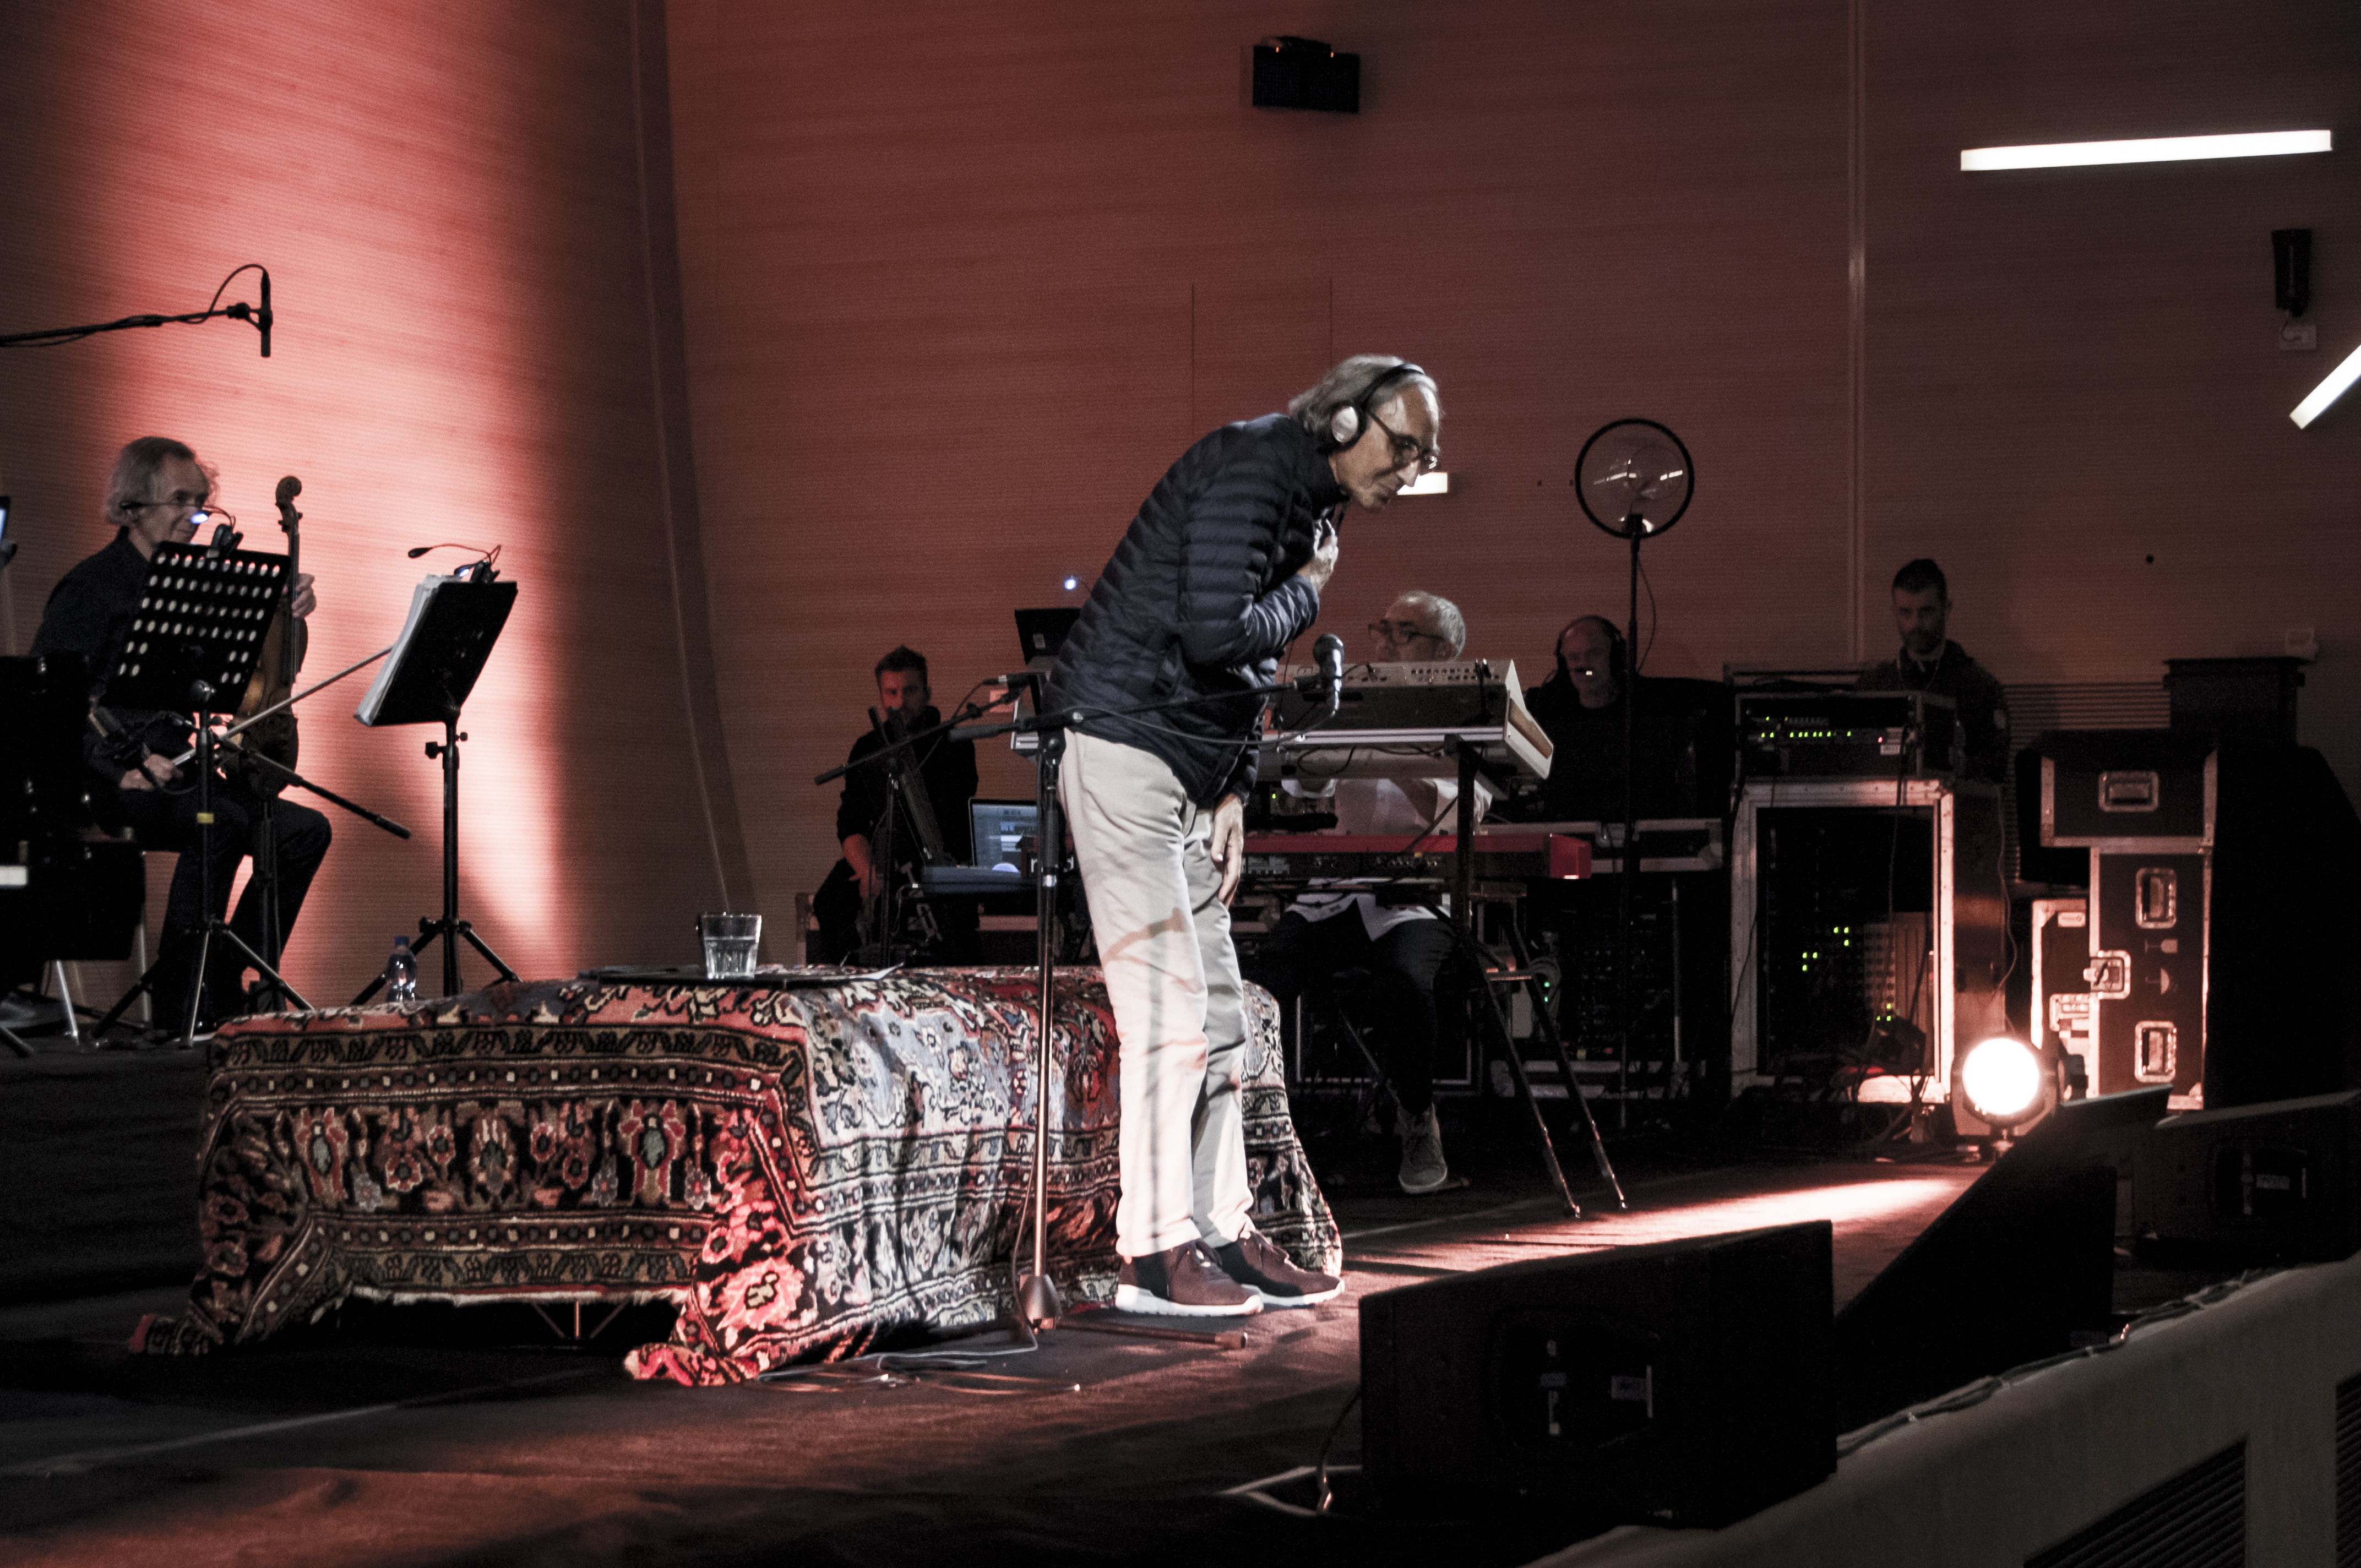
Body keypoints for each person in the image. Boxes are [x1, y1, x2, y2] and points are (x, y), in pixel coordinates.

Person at [1046, 353, 1440, 1315]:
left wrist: (1230, 791)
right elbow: (1217, 636)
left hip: (1186, 771)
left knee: (1223, 1021)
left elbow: (1240, 666)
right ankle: (1151, 1251)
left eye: (1422, 455)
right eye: (1402, 445)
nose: (1410, 468)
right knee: (1170, 1018)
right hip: (1124, 750)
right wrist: (1310, 588)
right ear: (1343, 424)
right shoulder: (1255, 469)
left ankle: (1219, 1227)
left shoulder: (1309, 499)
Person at [31, 435, 331, 1030]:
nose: (195, 517)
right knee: (217, 821)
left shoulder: (198, 583)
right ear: (131, 507)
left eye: (201, 502)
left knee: (302, 830)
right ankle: (179, 1005)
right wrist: (123, 764)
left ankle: (223, 973)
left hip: (183, 767)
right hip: (103, 774)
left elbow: (265, 674)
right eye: (179, 501)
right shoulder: (92, 586)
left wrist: (285, 617)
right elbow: (53, 698)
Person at [1250, 590, 1481, 1195]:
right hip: (1340, 891)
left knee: (1403, 984)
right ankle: (1255, 1129)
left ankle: (1417, 1116)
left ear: (1444, 651)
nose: (1382, 641)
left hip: (1417, 896)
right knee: (1263, 977)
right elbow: (1307, 784)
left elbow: (1462, 809)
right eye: (1381, 627)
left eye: (1402, 632)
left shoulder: (1464, 708)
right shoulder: (1345, 699)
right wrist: (1325, 740)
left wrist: (1385, 743)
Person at [811, 646, 979, 963]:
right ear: (881, 695)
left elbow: (952, 822)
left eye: (910, 690)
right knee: (829, 903)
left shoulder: (954, 745)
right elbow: (851, 820)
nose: (900, 702)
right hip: (879, 857)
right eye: (891, 692)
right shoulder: (868, 746)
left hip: (935, 860)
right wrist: (867, 871)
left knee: (954, 920)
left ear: (928, 692)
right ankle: (846, 991)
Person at [1523, 614, 1729, 821]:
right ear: (1563, 663)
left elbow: (1717, 699)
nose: (1583, 664)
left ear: (1616, 656)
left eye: (1593, 654)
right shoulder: (1546, 708)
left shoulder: (1649, 703)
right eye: (1574, 657)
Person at [1857, 558, 2009, 782]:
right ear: (1894, 612)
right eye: (1905, 613)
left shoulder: (1980, 689)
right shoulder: (1873, 687)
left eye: (1926, 612)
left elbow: (1993, 772)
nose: (1915, 624)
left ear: (1946, 609)